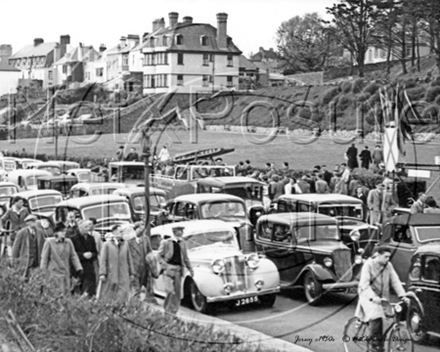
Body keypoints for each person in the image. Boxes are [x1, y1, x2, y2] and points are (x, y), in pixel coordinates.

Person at [355, 246, 409, 352]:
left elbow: (395, 280)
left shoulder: (388, 265)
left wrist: (403, 295)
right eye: (386, 257)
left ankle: (380, 343)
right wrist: (373, 297)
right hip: (368, 296)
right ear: (378, 255)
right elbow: (364, 285)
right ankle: (373, 346)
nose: (388, 259)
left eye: (389, 257)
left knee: (390, 316)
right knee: (376, 315)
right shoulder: (368, 265)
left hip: (382, 297)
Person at [158, 225, 194, 315]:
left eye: (182, 230)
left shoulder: (183, 243)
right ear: (174, 231)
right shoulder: (166, 242)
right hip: (168, 270)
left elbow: (186, 258)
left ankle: (174, 312)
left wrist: (190, 269)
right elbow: (159, 256)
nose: (181, 232)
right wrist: (164, 266)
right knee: (169, 291)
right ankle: (167, 311)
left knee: (177, 293)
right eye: (179, 230)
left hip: (178, 270)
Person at [40, 223, 83, 295]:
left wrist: (79, 268)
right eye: (62, 231)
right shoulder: (49, 242)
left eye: (65, 231)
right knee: (55, 293)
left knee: (66, 294)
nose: (64, 233)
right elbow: (44, 259)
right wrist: (42, 273)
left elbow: (73, 256)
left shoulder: (68, 242)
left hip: (65, 273)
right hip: (53, 273)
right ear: (56, 232)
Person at [99, 225, 134, 302]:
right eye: (120, 231)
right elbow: (103, 259)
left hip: (123, 275)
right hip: (111, 274)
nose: (122, 233)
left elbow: (129, 259)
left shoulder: (126, 244)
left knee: (123, 295)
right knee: (109, 295)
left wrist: (132, 273)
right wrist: (102, 273)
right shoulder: (107, 244)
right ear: (114, 232)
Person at [127, 222, 155, 301]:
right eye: (140, 229)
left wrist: (150, 260)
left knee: (139, 289)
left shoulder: (146, 239)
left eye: (143, 229)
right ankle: (135, 308)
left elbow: (150, 251)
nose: (142, 231)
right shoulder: (130, 241)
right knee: (136, 291)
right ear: (135, 229)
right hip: (134, 270)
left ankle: (135, 307)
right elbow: (127, 256)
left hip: (144, 270)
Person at [71, 220, 98, 296]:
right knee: (79, 291)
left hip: (89, 268)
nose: (88, 228)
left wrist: (91, 255)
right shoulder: (73, 239)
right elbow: (72, 254)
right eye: (86, 227)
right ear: (80, 228)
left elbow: (95, 252)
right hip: (78, 269)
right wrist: (83, 255)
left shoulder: (91, 238)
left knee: (90, 291)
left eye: (88, 226)